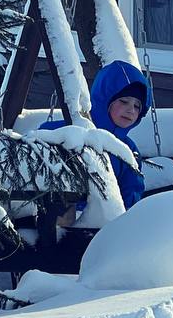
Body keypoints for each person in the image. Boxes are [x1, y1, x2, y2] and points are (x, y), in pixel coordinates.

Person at [40, 60, 152, 211]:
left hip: (107, 220)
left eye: (137, 106)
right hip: (55, 215)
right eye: (124, 101)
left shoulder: (128, 149)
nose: (131, 110)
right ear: (105, 100)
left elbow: (131, 191)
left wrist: (125, 218)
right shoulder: (65, 132)